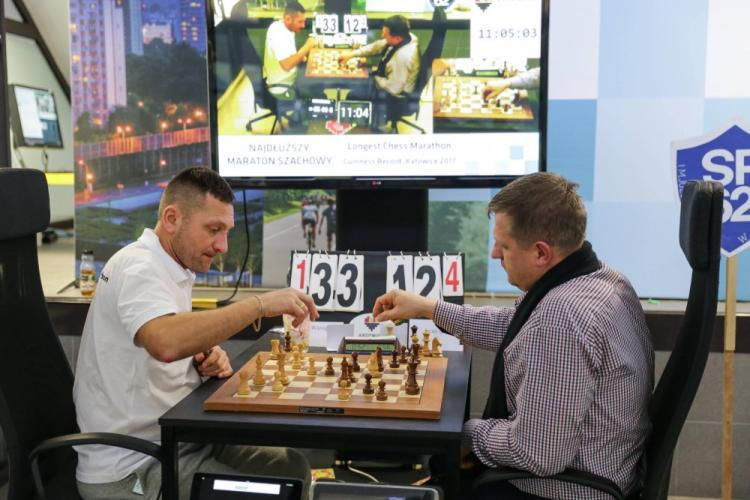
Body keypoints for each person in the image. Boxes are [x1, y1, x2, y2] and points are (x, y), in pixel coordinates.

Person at [372, 172, 654, 500]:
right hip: (604, 468)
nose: (494, 254)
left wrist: (463, 434)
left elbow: (537, 454)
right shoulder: (600, 279)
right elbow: (516, 325)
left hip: (564, 489)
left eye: (503, 245)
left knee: (438, 464)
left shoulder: (560, 318)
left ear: (540, 253)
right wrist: (429, 308)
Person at [73, 167, 319, 500]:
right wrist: (260, 304)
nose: (223, 246)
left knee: (291, 469)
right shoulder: (139, 267)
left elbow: (168, 343)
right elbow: (166, 342)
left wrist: (199, 356)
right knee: (270, 494)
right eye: (214, 230)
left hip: (182, 438)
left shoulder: (171, 266)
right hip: (134, 465)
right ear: (172, 218)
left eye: (227, 231)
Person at [338, 15, 419, 131]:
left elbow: (394, 88)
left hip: (395, 98)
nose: (383, 37)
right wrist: (353, 54)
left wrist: (371, 76)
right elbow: (377, 46)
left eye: (385, 35)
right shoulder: (407, 36)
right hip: (388, 78)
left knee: (353, 92)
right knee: (358, 82)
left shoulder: (403, 57)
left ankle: (371, 128)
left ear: (396, 38)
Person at [262, 0, 316, 125]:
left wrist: (299, 57)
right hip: (282, 88)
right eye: (300, 21)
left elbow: (288, 55)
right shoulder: (278, 34)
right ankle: (301, 123)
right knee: (317, 87)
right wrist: (306, 48)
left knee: (313, 75)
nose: (303, 26)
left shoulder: (282, 27)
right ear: (287, 18)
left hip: (284, 78)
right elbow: (286, 65)